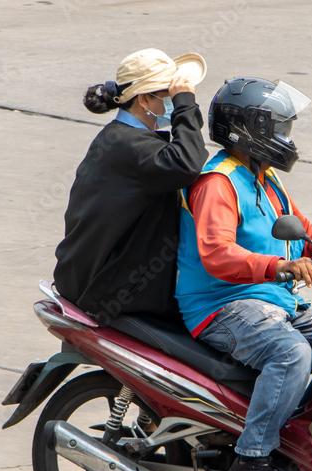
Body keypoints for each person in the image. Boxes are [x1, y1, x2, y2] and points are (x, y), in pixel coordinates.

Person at [176, 78, 312, 471]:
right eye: (278, 128)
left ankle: (293, 436)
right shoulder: (218, 183)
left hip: (275, 300)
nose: (285, 138)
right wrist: (280, 266)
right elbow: (217, 255)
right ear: (248, 128)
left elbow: (303, 228)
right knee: (292, 355)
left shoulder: (263, 175)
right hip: (224, 305)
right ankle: (251, 460)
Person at [54, 49, 210, 324]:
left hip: (89, 279)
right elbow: (187, 163)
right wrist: (186, 104)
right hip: (110, 292)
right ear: (144, 99)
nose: (173, 101)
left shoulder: (124, 139)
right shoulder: (133, 147)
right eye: (169, 95)